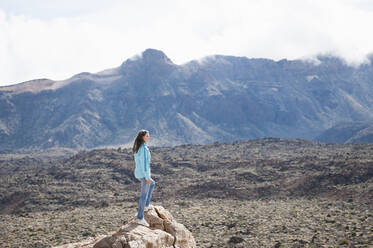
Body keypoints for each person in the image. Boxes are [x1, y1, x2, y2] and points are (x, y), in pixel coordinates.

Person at [132, 129, 155, 227]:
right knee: (143, 195)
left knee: (152, 184)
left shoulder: (139, 147)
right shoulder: (143, 149)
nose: (148, 137)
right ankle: (140, 218)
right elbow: (145, 165)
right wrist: (147, 177)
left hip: (139, 173)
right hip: (144, 175)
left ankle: (146, 205)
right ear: (142, 137)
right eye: (147, 136)